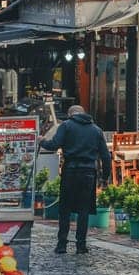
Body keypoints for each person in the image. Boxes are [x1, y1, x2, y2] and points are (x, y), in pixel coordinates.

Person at [39, 104, 112, 254]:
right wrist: (105, 177)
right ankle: (81, 245)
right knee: (83, 210)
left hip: (70, 170)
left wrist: (41, 140)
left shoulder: (66, 126)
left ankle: (62, 245)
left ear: (70, 114)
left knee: (65, 209)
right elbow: (106, 156)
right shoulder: (96, 130)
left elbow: (53, 145)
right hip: (89, 173)